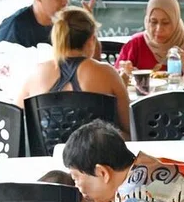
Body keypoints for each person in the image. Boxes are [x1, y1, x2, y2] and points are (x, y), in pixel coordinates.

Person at [16, 7, 130, 138]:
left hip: (48, 156)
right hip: (98, 156)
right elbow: (129, 126)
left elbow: (15, 118)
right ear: (91, 39)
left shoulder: (36, 73)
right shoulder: (107, 73)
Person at [115, 0, 184, 75]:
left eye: (166, 23)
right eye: (153, 22)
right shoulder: (135, 44)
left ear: (175, 22)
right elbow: (115, 79)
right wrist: (126, 72)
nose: (159, 29)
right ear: (147, 21)